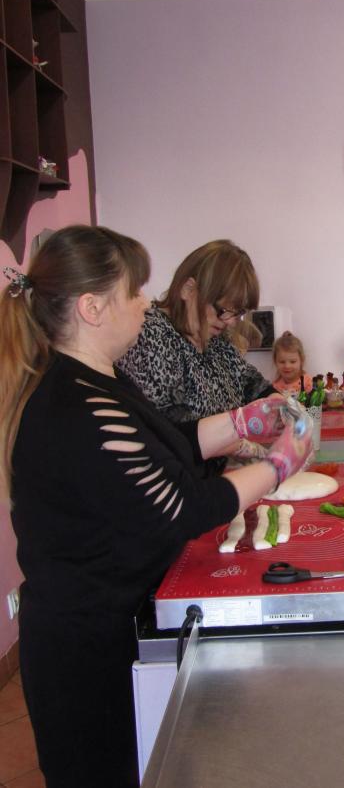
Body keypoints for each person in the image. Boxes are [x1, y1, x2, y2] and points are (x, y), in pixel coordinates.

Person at [0, 225, 313, 788]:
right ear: (93, 308)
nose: (146, 304)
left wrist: (240, 422)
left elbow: (168, 444)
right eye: (134, 291)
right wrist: (278, 465)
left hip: (114, 624)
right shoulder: (77, 405)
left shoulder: (99, 380)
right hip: (87, 652)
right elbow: (184, 506)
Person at [117, 240, 273, 425]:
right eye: (223, 310)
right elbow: (167, 429)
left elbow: (252, 384)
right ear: (188, 289)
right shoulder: (150, 337)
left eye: (237, 313)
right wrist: (237, 431)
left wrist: (278, 403)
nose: (230, 322)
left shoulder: (217, 340)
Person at [271, 331, 313, 396]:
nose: (287, 366)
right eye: (282, 362)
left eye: (293, 362)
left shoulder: (309, 383)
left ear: (301, 360)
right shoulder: (274, 387)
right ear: (275, 362)